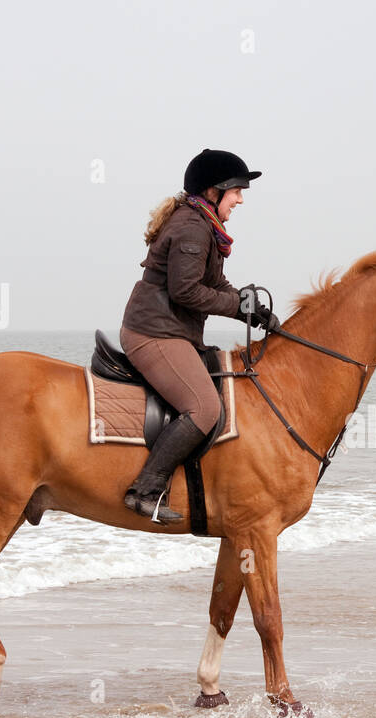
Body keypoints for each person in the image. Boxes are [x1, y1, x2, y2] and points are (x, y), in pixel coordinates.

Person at [119, 148, 279, 523]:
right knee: (205, 409)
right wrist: (237, 306)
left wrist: (249, 309)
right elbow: (185, 291)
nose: (240, 199)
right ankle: (145, 490)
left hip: (172, 331)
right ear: (213, 191)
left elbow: (215, 283)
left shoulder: (203, 224)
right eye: (236, 191)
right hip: (154, 333)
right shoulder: (192, 227)